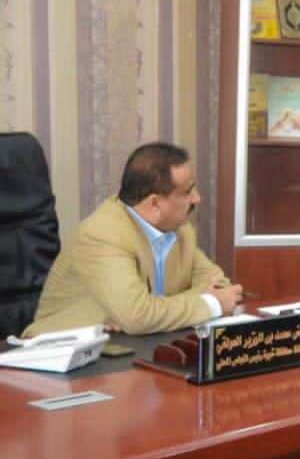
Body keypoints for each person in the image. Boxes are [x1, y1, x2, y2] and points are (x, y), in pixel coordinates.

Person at [24, 142, 243, 337]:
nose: (197, 198)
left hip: (131, 343)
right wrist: (210, 303)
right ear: (155, 204)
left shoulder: (180, 229)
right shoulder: (102, 235)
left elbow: (220, 285)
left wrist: (153, 312)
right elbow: (139, 317)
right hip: (56, 353)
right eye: (188, 191)